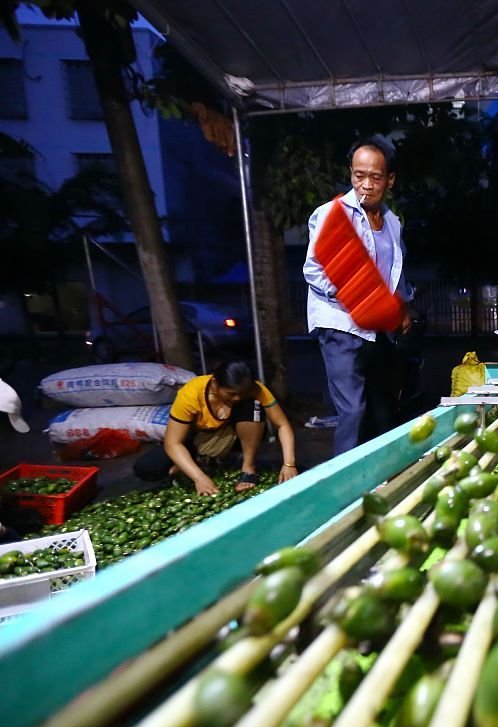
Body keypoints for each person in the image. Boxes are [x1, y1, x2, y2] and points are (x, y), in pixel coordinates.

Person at [303, 134, 415, 457]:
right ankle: (344, 486)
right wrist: (355, 294)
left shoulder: (392, 224)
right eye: (358, 175)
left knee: (382, 409)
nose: (365, 184)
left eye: (375, 177)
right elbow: (313, 271)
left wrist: (402, 306)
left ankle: (379, 475)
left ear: (389, 180)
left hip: (378, 326)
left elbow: (394, 272)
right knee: (352, 410)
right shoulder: (332, 215)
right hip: (340, 323)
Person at [133, 360, 298, 496]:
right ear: (214, 384)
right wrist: (198, 478)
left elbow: (282, 425)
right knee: (147, 468)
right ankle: (200, 463)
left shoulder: (254, 390)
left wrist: (289, 464)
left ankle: (248, 467)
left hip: (241, 436)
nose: (237, 397)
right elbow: (173, 443)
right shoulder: (191, 393)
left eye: (242, 392)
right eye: (230, 393)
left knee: (250, 403)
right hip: (199, 440)